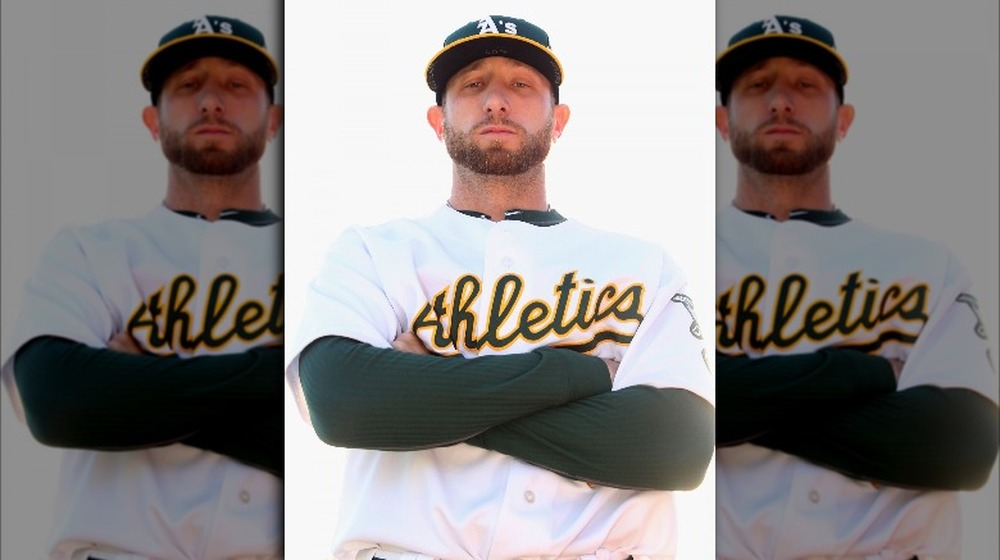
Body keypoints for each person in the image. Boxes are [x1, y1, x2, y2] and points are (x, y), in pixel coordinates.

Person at [286, 14, 715, 560]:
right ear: (436, 121)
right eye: (471, 85)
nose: (495, 101)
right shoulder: (374, 252)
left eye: (520, 83)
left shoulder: (642, 265)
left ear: (558, 119)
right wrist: (575, 374)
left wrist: (419, 394)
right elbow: (343, 402)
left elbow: (675, 448)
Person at [714, 14, 1000, 559]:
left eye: (805, 85)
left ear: (843, 120)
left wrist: (740, 403)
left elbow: (962, 446)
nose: (780, 101)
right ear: (723, 121)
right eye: (757, 85)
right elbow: (680, 414)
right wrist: (862, 373)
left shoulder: (924, 264)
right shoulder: (683, 259)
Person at [0, 14, 284, 560]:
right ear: (153, 121)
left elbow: (323, 424)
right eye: (187, 85)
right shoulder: (89, 250)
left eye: (235, 85)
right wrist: (267, 374)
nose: (210, 102)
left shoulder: (314, 258)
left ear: (273, 120)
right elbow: (56, 399)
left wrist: (132, 383)